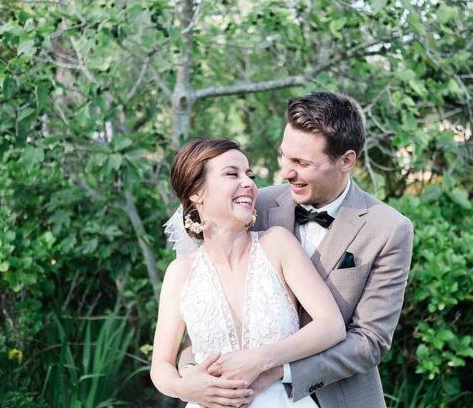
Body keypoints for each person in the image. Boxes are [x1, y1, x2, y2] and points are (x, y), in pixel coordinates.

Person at [177, 92, 414, 408]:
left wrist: (277, 369)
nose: (286, 173)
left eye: (301, 163)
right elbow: (206, 303)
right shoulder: (253, 204)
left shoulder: (388, 229)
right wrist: (190, 376)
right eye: (284, 157)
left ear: (346, 161)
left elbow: (369, 341)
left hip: (339, 399)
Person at [150, 138, 346, 408]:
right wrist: (186, 388)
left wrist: (262, 359)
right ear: (197, 192)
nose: (249, 183)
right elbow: (160, 365)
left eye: (249, 175)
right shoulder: (180, 272)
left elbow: (331, 325)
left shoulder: (277, 245)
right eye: (232, 174)